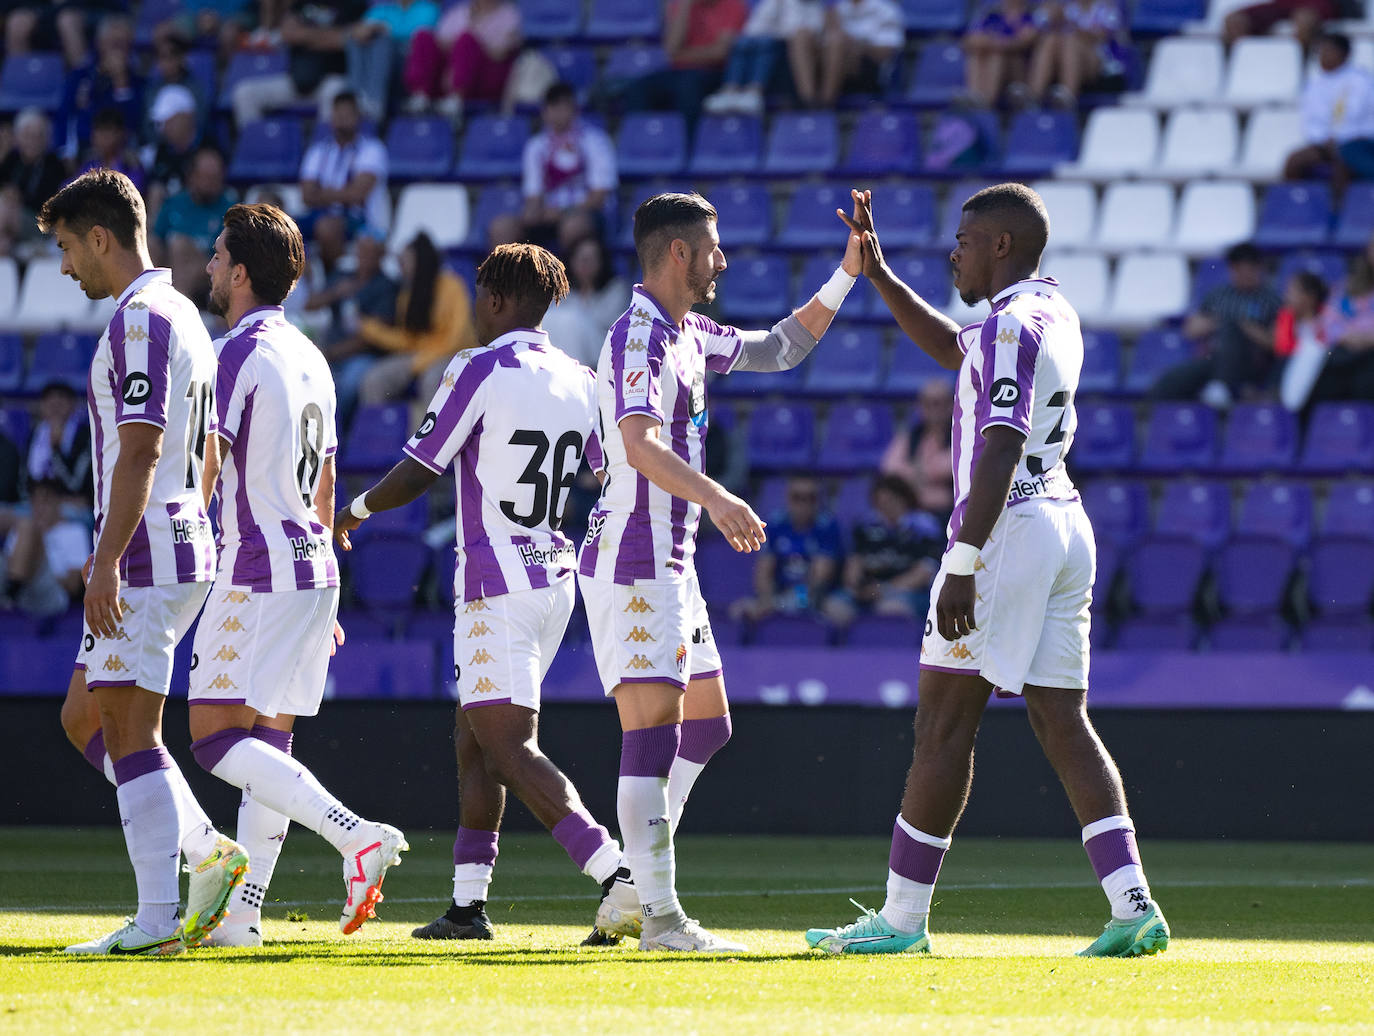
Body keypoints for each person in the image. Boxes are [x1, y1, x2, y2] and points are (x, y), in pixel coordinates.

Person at [805, 184, 1169, 958]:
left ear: (1001, 245)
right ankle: (1133, 904)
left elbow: (998, 445)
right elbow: (953, 348)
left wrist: (965, 562)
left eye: (966, 240)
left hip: (1007, 531)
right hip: (1065, 520)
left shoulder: (1009, 327)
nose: (955, 251)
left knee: (942, 725)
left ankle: (901, 921)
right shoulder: (1051, 312)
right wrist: (880, 274)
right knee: (1060, 719)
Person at [577, 191, 861, 951]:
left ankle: (635, 888)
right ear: (678, 254)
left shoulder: (687, 332)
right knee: (651, 736)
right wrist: (719, 496)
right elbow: (638, 444)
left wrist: (845, 275)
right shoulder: (638, 337)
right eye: (712, 248)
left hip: (669, 561)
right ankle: (662, 920)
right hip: (636, 558)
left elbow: (779, 348)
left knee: (708, 725)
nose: (722, 260)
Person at [334, 243, 640, 945]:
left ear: (497, 300)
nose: (474, 307)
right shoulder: (580, 377)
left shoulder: (477, 368)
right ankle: (468, 907)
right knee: (476, 742)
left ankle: (620, 877)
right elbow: (606, 473)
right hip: (552, 577)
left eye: (479, 294)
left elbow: (418, 470)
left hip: (495, 584)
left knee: (506, 746)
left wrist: (354, 510)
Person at [188, 202, 408, 947]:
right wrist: (322, 592)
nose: (211, 268)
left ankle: (356, 836)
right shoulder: (312, 354)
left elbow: (208, 462)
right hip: (311, 566)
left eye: (218, 258)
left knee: (216, 738)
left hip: (255, 567)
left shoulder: (233, 354)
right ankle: (243, 917)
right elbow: (328, 481)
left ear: (242, 273)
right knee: (268, 745)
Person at [42, 169, 247, 956]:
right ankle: (202, 849)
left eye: (67, 249)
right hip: (171, 538)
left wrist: (107, 560)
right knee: (84, 714)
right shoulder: (186, 315)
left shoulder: (140, 320)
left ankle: (158, 921)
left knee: (130, 728)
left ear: (101, 237)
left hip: (147, 553)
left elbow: (141, 448)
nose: (65, 268)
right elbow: (198, 454)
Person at [330, 231, 474, 420]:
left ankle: (428, 446)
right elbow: (407, 340)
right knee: (374, 379)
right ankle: (378, 443)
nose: (400, 266)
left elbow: (458, 339)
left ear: (420, 261)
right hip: (419, 356)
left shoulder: (452, 285)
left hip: (452, 356)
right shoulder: (408, 294)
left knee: (432, 380)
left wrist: (422, 361)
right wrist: (367, 327)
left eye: (405, 260)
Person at [489, 82, 618, 254]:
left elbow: (599, 197)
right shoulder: (536, 146)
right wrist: (533, 213)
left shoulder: (595, 141)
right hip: (547, 215)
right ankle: (507, 279)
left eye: (564, 107)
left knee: (571, 226)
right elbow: (533, 195)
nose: (559, 113)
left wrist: (562, 212)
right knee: (501, 228)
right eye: (554, 107)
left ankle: (567, 279)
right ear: (545, 112)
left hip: (586, 214)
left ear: (574, 110)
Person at [1150, 242, 1282, 408]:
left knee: (1232, 330)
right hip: (1214, 361)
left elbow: (1275, 343)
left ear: (1258, 269)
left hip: (1252, 365)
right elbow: (1191, 330)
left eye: (1249, 270)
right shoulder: (1218, 296)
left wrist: (1244, 327)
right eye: (1238, 270)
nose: (1244, 275)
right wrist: (1221, 321)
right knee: (1171, 382)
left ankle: (1221, 386)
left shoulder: (1271, 300)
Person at [823, 474, 943, 628]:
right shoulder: (865, 526)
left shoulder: (924, 526)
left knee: (890, 609)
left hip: (908, 592)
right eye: (881, 503)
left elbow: (924, 573)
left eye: (891, 502)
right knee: (834, 606)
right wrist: (856, 586)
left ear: (904, 500)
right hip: (869, 592)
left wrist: (885, 590)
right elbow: (853, 566)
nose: (886, 508)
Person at [232, 0, 367, 128]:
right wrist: (326, 36)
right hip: (294, 82)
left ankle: (321, 148)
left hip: (329, 81)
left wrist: (304, 35)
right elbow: (287, 34)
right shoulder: (302, 3)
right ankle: (256, 146)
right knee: (244, 93)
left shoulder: (351, 4)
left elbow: (344, 40)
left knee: (335, 93)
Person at [298, 91, 390, 272]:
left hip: (360, 220)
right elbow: (307, 195)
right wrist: (342, 193)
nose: (342, 119)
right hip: (318, 215)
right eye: (338, 113)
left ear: (358, 117)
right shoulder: (318, 151)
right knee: (276, 225)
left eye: (348, 114)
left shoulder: (372, 149)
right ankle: (297, 285)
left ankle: (334, 278)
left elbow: (357, 195)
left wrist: (322, 193)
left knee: (327, 227)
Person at [732, 475, 841, 621]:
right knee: (739, 610)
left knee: (839, 611)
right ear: (788, 498)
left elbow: (819, 578)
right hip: (778, 593)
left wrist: (788, 602)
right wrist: (768, 599)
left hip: (817, 598)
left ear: (818, 501)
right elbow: (764, 572)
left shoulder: (827, 527)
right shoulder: (776, 524)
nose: (803, 504)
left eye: (810, 498)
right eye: (797, 497)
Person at [624, 0, 750, 126]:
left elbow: (720, 53)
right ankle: (642, 139)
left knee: (687, 88)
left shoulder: (733, 5)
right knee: (638, 88)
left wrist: (681, 55)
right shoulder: (680, 5)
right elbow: (671, 50)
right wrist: (685, 5)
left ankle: (688, 143)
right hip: (679, 71)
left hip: (716, 72)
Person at [1283, 33, 1374, 197]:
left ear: (1345, 54)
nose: (1323, 56)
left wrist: (1337, 139)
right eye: (1320, 51)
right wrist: (1322, 140)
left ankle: (1340, 214)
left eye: (1329, 50)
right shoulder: (1314, 84)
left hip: (1356, 143)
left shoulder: (1361, 81)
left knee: (1343, 166)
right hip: (1324, 144)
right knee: (1294, 161)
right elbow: (1311, 121)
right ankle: (1297, 210)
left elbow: (1356, 118)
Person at [402, 0, 521, 119]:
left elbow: (499, 53)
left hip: (483, 79)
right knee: (423, 36)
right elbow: (441, 42)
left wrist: (471, 46)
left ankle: (456, 98)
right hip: (449, 73)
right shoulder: (459, 13)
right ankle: (420, 96)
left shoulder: (509, 15)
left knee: (467, 40)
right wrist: (456, 58)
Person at [702, 0, 826, 114]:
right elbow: (753, 29)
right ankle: (730, 90)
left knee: (767, 43)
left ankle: (754, 91)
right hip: (767, 40)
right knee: (742, 42)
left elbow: (805, 32)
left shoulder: (816, 6)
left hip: (787, 51)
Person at [150, 146, 235, 308]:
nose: (211, 183)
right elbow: (156, 240)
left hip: (210, 269)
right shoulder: (175, 203)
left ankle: (174, 314)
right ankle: (141, 305)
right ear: (192, 176)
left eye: (215, 178)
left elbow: (228, 257)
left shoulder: (231, 209)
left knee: (180, 246)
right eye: (206, 177)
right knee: (150, 245)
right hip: (170, 265)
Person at [55, 12, 144, 159]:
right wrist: (64, 151)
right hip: (84, 151)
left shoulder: (136, 81)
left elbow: (134, 123)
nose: (119, 51)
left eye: (124, 44)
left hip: (123, 154)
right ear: (100, 43)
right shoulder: (81, 76)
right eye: (114, 44)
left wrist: (121, 83)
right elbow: (65, 115)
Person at [0, 477, 87, 617]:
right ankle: (11, 594)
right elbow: (9, 566)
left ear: (58, 503)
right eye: (35, 502)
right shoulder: (20, 530)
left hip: (52, 593)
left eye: (46, 502)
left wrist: (37, 556)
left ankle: (10, 596)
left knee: (27, 526)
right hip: (21, 587)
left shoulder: (74, 531)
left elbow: (74, 585)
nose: (39, 508)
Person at [539, 234, 629, 369]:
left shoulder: (616, 289)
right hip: (563, 354)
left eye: (591, 259)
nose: (585, 264)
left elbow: (608, 324)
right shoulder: (561, 291)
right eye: (581, 259)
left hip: (602, 355)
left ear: (601, 261)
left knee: (570, 319)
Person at [347, 0, 440, 120]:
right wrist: (363, 31)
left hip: (409, 64)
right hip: (382, 64)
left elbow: (418, 36)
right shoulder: (382, 8)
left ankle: (374, 102)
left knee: (383, 42)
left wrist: (381, 28)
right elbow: (361, 29)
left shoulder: (428, 8)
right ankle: (356, 97)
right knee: (355, 40)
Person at [1027, 0, 1129, 108]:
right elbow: (1037, 26)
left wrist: (1071, 26)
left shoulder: (1106, 8)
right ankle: (1033, 98)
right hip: (1063, 60)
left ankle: (1068, 97)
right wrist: (1054, 20)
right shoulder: (1067, 9)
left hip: (1099, 62)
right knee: (1050, 40)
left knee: (1070, 42)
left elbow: (1101, 37)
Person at [880, 377, 955, 519]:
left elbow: (954, 465)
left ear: (951, 405)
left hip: (948, 514)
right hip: (911, 512)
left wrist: (914, 474)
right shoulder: (910, 436)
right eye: (927, 403)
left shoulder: (961, 436)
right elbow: (889, 468)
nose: (933, 409)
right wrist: (929, 478)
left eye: (938, 403)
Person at [1309, 246, 1374, 404]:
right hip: (1343, 349)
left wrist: (1368, 339)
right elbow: (1328, 320)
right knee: (1321, 374)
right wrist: (1345, 336)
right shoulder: (1347, 287)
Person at [811, 0, 905, 109]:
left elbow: (886, 52)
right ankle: (808, 99)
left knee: (837, 43)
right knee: (804, 37)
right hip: (835, 68)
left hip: (871, 72)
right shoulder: (838, 9)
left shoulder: (886, 10)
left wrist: (856, 45)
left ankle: (824, 104)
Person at [0, 108, 67, 259]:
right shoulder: (12, 160)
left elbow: (50, 205)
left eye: (38, 136)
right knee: (2, 242)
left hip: (41, 224)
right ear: (18, 138)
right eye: (27, 136)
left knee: (3, 209)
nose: (32, 141)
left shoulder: (53, 164)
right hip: (9, 223)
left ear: (46, 139)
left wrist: (19, 198)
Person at [962, 0, 1038, 108]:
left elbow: (1025, 41)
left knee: (997, 55)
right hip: (993, 62)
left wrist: (998, 43)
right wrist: (993, 42)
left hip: (1019, 70)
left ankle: (985, 103)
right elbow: (969, 41)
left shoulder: (1030, 16)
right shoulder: (993, 16)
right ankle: (975, 97)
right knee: (977, 54)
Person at [26, 381, 92, 504]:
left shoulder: (85, 436)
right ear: (41, 406)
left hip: (72, 506)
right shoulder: (35, 434)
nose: (55, 404)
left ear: (73, 404)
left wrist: (56, 450)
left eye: (61, 399)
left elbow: (75, 485)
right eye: (49, 399)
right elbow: (25, 481)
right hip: (36, 505)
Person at [78, 106, 146, 195]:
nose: (102, 137)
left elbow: (132, 195)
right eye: (98, 131)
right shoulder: (89, 165)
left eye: (107, 130)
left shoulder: (131, 166)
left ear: (121, 134)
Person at [1224, 0, 1335, 53]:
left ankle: (1299, 63)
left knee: (1304, 19)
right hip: (1282, 4)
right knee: (1234, 19)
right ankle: (1247, 64)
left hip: (1318, 4)